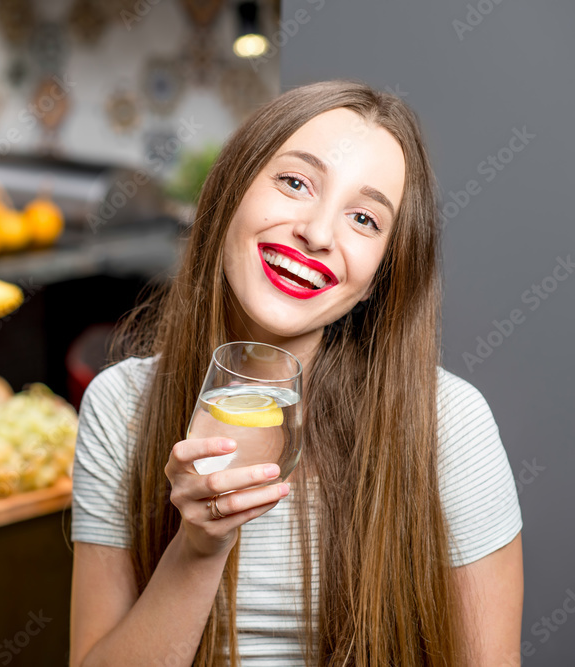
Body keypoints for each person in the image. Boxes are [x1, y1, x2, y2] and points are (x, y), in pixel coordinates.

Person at [69, 79, 523, 666]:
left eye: (364, 218)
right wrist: (200, 548)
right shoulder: (120, 404)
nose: (317, 233)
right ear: (230, 191)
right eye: (294, 182)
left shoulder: (449, 423)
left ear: (381, 275)